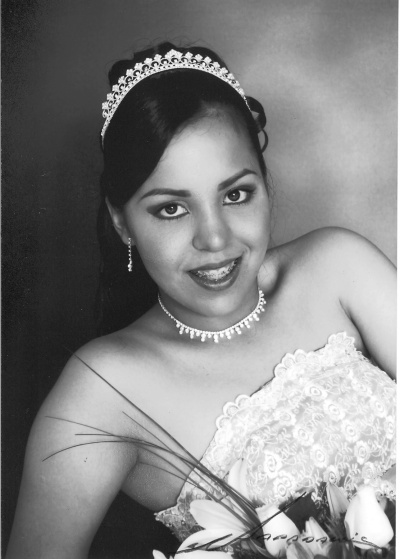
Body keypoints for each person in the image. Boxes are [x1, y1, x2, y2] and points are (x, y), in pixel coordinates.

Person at [6, 42, 396, 559]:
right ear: (122, 223)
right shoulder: (103, 389)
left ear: (265, 185)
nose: (214, 239)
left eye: (235, 194)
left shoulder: (339, 266)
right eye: (171, 209)